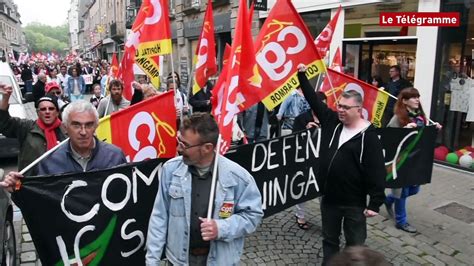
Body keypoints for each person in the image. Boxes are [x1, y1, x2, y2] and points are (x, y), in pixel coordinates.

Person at [146, 112, 263, 265]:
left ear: (207, 148)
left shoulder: (238, 178)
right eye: (179, 141)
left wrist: (221, 228)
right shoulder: (170, 170)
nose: (179, 148)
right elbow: (159, 218)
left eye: (185, 145)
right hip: (179, 261)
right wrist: (152, 261)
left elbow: (253, 215)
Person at [297, 64, 386, 265]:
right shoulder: (332, 121)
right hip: (329, 198)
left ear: (359, 110)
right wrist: (302, 76)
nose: (341, 110)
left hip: (354, 202)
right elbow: (313, 100)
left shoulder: (369, 136)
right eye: (339, 105)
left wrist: (375, 203)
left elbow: (377, 171)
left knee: (355, 245)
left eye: (346, 107)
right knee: (329, 239)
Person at [0, 101, 127, 189]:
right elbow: (37, 201)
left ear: (96, 126)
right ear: (65, 127)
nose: (83, 132)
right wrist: (16, 187)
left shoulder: (115, 156)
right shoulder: (49, 162)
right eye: (76, 125)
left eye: (88, 125)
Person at [384, 87, 442, 233]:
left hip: (416, 161)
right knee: (402, 192)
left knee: (414, 189)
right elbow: (389, 138)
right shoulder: (397, 118)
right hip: (401, 162)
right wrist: (404, 130)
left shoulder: (420, 117)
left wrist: (434, 128)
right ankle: (401, 221)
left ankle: (389, 199)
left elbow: (422, 136)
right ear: (404, 101)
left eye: (418, 96)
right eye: (413, 97)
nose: (417, 99)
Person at [0, 84, 66, 175]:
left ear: (57, 112)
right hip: (33, 183)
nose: (47, 112)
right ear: (38, 113)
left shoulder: (66, 130)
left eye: (51, 109)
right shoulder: (26, 127)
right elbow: (4, 123)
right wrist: (5, 98)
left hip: (59, 181)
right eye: (43, 109)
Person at [291, 91, 326, 230]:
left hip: (323, 161)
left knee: (324, 192)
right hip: (306, 161)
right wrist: (305, 130)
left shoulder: (328, 118)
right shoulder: (301, 118)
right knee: (304, 189)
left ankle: (327, 219)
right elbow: (293, 139)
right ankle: (300, 215)